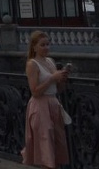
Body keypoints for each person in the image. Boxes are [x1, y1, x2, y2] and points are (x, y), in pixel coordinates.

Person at [21, 31, 71, 168]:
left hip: (53, 103)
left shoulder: (50, 61)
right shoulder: (32, 64)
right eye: (42, 45)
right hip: (40, 106)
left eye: (48, 44)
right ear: (34, 47)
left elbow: (58, 89)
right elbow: (35, 91)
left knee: (56, 143)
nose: (46, 47)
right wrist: (52, 78)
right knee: (45, 144)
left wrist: (62, 79)